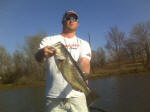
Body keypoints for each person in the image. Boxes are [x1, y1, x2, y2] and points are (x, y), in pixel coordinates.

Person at [35, 10, 91, 112]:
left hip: (78, 96)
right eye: (68, 18)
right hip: (53, 97)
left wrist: (84, 75)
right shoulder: (48, 40)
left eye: (74, 18)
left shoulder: (84, 43)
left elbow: (84, 61)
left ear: (78, 23)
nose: (71, 20)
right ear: (63, 21)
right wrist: (42, 53)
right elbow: (38, 58)